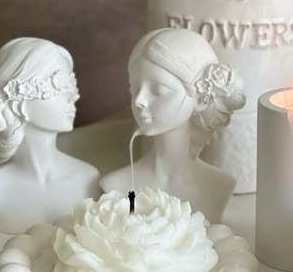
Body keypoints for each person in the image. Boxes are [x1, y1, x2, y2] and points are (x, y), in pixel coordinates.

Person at [100, 29, 245, 223]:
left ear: (200, 99)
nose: (139, 101)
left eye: (158, 90)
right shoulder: (116, 184)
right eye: (135, 89)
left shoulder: (219, 185)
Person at [0, 38, 99, 233]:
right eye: (60, 85)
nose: (74, 95)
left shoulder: (88, 179)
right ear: (19, 102)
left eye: (72, 84)